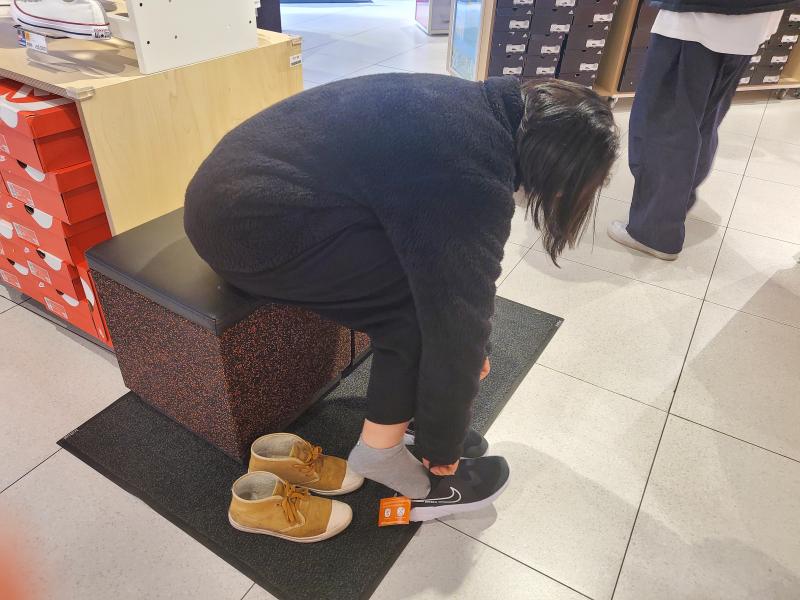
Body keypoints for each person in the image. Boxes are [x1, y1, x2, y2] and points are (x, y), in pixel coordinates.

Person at [184, 74, 618, 509]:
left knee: (434, 294)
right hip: (243, 227)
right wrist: (442, 445)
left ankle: (404, 415)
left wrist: (462, 370)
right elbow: (459, 315)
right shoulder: (470, 173)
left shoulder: (478, 110)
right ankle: (379, 454)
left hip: (237, 189)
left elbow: (462, 285)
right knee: (411, 315)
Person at [608, 0, 796, 260]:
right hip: (754, 17)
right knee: (703, 121)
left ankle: (653, 232)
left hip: (698, 16)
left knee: (664, 126)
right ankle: (674, 206)